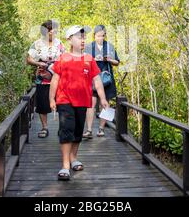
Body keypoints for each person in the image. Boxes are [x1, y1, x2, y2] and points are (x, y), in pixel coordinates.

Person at [49, 25, 109, 181]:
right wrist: (51, 99)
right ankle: (65, 165)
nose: (82, 40)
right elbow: (55, 79)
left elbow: (97, 80)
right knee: (66, 129)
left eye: (83, 37)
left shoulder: (89, 59)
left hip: (83, 101)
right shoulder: (63, 58)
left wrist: (102, 99)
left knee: (77, 131)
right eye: (78, 37)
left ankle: (73, 158)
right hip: (65, 100)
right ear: (69, 39)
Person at [26, 20, 65, 138]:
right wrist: (38, 63)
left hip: (58, 77)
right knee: (43, 103)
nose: (55, 32)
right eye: (53, 29)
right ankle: (44, 127)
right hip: (42, 78)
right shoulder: (37, 44)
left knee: (61, 102)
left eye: (56, 30)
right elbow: (28, 59)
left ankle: (62, 128)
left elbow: (65, 57)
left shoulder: (59, 43)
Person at [83, 25, 120, 138]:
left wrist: (109, 59)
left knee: (105, 103)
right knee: (91, 103)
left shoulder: (109, 46)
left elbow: (117, 62)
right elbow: (83, 62)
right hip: (92, 78)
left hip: (106, 78)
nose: (101, 38)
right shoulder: (89, 47)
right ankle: (89, 130)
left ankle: (101, 128)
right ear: (94, 36)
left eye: (103, 36)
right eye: (98, 36)